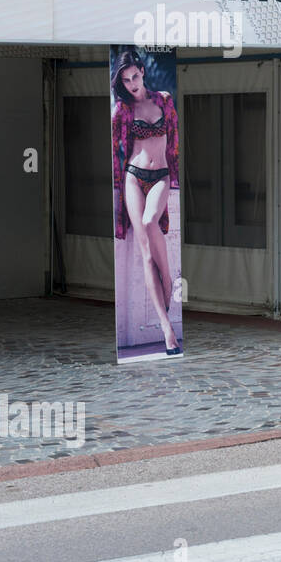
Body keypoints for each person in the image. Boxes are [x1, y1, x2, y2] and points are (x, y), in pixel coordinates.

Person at [111, 47, 182, 356]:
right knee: (145, 255)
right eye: (126, 80)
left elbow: (175, 143)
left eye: (135, 76)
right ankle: (167, 331)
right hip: (132, 177)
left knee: (150, 220)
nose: (132, 84)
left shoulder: (164, 99)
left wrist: (176, 178)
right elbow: (116, 153)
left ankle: (168, 278)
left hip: (161, 175)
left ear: (142, 71)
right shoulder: (122, 110)